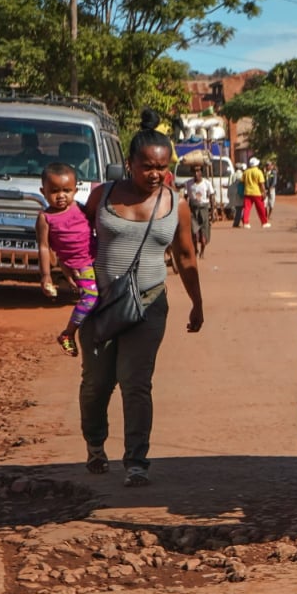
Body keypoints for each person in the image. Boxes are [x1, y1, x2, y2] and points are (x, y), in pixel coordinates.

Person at [80, 127, 206, 487]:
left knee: (135, 382)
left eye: (162, 167)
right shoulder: (101, 197)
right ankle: (95, 444)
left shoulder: (175, 204)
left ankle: (136, 461)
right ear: (129, 163)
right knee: (96, 383)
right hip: (100, 306)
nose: (154, 174)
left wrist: (197, 302)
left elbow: (185, 255)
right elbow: (78, 239)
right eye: (147, 165)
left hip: (149, 304)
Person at [36, 163, 97, 356]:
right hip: (78, 265)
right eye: (54, 191)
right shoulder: (45, 218)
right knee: (90, 298)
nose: (61, 195)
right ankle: (68, 333)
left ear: (76, 190)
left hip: (97, 258)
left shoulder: (80, 208)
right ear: (42, 191)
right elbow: (44, 247)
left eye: (67, 190)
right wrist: (46, 276)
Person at [183, 170, 215, 257]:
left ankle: (202, 252)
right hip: (193, 210)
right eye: (194, 172)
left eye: (198, 172)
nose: (196, 174)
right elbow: (185, 197)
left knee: (204, 235)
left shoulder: (207, 183)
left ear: (201, 173)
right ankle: (195, 249)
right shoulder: (188, 183)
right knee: (194, 233)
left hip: (204, 209)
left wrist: (212, 212)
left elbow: (212, 197)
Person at [239, 156, 270, 228]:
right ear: (257, 164)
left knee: (246, 208)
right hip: (257, 193)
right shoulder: (259, 172)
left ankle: (246, 223)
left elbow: (242, 182)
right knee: (261, 208)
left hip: (247, 192)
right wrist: (264, 192)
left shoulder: (246, 172)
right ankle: (264, 222)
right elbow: (261, 184)